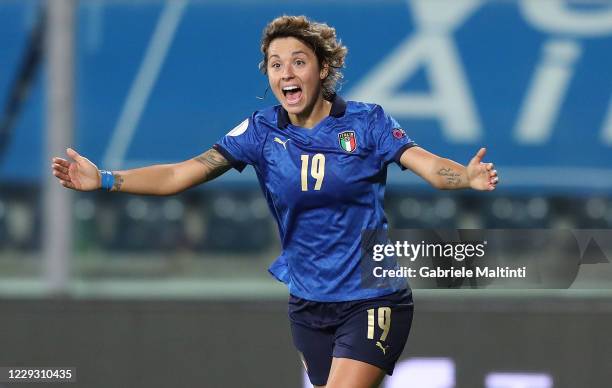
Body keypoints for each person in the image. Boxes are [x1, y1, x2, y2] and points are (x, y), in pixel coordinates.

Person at [51, 15, 498, 388]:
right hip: (307, 302)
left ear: (322, 70)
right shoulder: (260, 133)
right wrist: (106, 179)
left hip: (373, 297)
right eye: (275, 64)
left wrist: (464, 176)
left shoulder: (368, 123)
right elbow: (178, 174)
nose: (286, 73)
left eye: (298, 62)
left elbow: (426, 164)